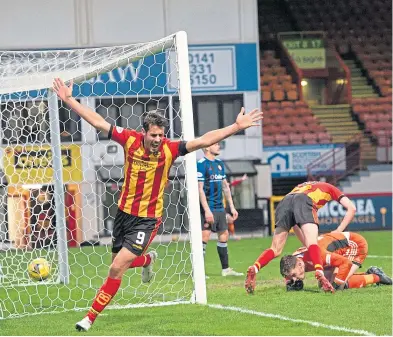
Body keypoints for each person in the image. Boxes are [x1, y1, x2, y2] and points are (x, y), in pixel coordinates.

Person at [52, 78, 263, 331]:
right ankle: (147, 261)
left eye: (161, 135)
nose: (157, 140)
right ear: (144, 132)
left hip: (147, 220)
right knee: (120, 263)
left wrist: (235, 127)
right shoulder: (129, 140)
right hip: (123, 214)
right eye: (153, 135)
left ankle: (89, 318)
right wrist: (68, 100)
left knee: (116, 268)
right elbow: (97, 121)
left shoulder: (170, 149)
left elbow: (204, 140)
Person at [244, 181, 356, 294]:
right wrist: (338, 231)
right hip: (304, 200)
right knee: (313, 243)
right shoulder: (330, 188)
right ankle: (319, 272)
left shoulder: (302, 185)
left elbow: (295, 224)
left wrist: (307, 246)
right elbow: (352, 208)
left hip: (284, 201)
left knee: (275, 249)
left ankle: (255, 267)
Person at [281, 232, 392, 291]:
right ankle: (369, 273)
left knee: (337, 286)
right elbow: (288, 270)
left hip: (355, 245)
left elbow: (345, 263)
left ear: (300, 264)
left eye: (294, 275)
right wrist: (289, 282)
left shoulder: (320, 256)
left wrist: (338, 283)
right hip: (335, 251)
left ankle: (376, 276)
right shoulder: (294, 259)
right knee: (324, 285)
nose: (294, 278)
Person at [197, 143, 243, 277]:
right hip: (208, 207)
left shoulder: (219, 164)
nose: (218, 146)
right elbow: (200, 189)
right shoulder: (201, 164)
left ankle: (225, 269)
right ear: (206, 148)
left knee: (224, 236)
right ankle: (199, 272)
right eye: (215, 144)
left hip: (219, 207)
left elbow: (226, 187)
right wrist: (206, 210)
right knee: (204, 236)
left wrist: (232, 207)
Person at [226, 174, 248, 240]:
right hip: (215, 208)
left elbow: (233, 183)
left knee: (230, 220)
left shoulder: (225, 187)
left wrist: (242, 179)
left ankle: (232, 235)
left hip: (222, 209)